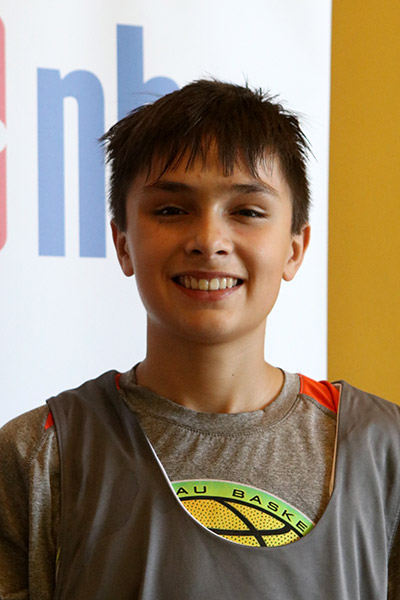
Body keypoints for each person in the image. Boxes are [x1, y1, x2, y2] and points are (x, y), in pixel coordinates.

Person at [0, 79, 399, 599]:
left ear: (295, 248)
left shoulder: (385, 450)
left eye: (247, 211)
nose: (209, 241)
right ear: (123, 243)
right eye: (171, 210)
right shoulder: (40, 454)